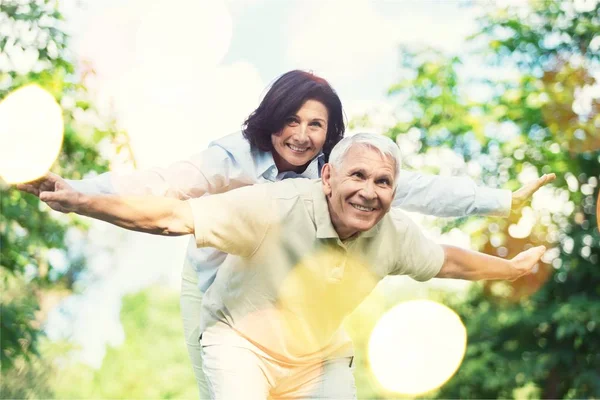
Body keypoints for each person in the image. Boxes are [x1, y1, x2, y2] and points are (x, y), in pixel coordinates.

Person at [19, 71, 555, 398]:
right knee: (228, 372)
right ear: (271, 117)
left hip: (298, 302)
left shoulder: (347, 170)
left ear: (329, 140)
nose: (300, 134)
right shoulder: (234, 159)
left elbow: (423, 192)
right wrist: (80, 193)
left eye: (316, 125)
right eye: (291, 120)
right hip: (218, 286)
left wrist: (504, 200)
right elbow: (163, 191)